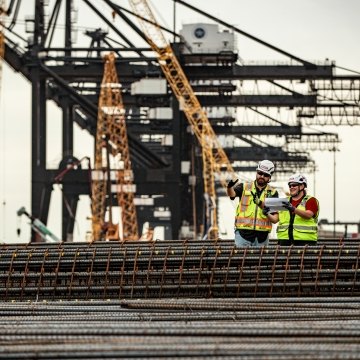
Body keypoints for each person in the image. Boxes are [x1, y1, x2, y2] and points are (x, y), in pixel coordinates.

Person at [227, 160, 279, 247]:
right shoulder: (244, 187)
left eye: (265, 175)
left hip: (262, 238)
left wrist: (264, 209)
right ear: (256, 172)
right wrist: (229, 187)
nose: (262, 176)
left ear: (270, 177)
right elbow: (232, 195)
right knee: (241, 260)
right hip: (243, 235)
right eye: (260, 173)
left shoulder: (273, 193)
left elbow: (275, 219)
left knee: (260, 261)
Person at [277, 174, 319, 245]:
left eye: (294, 185)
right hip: (284, 242)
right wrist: (267, 213)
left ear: (302, 186)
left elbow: (308, 215)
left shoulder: (311, 200)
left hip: (305, 242)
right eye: (290, 186)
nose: (291, 187)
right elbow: (275, 219)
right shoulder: (285, 201)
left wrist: (293, 209)